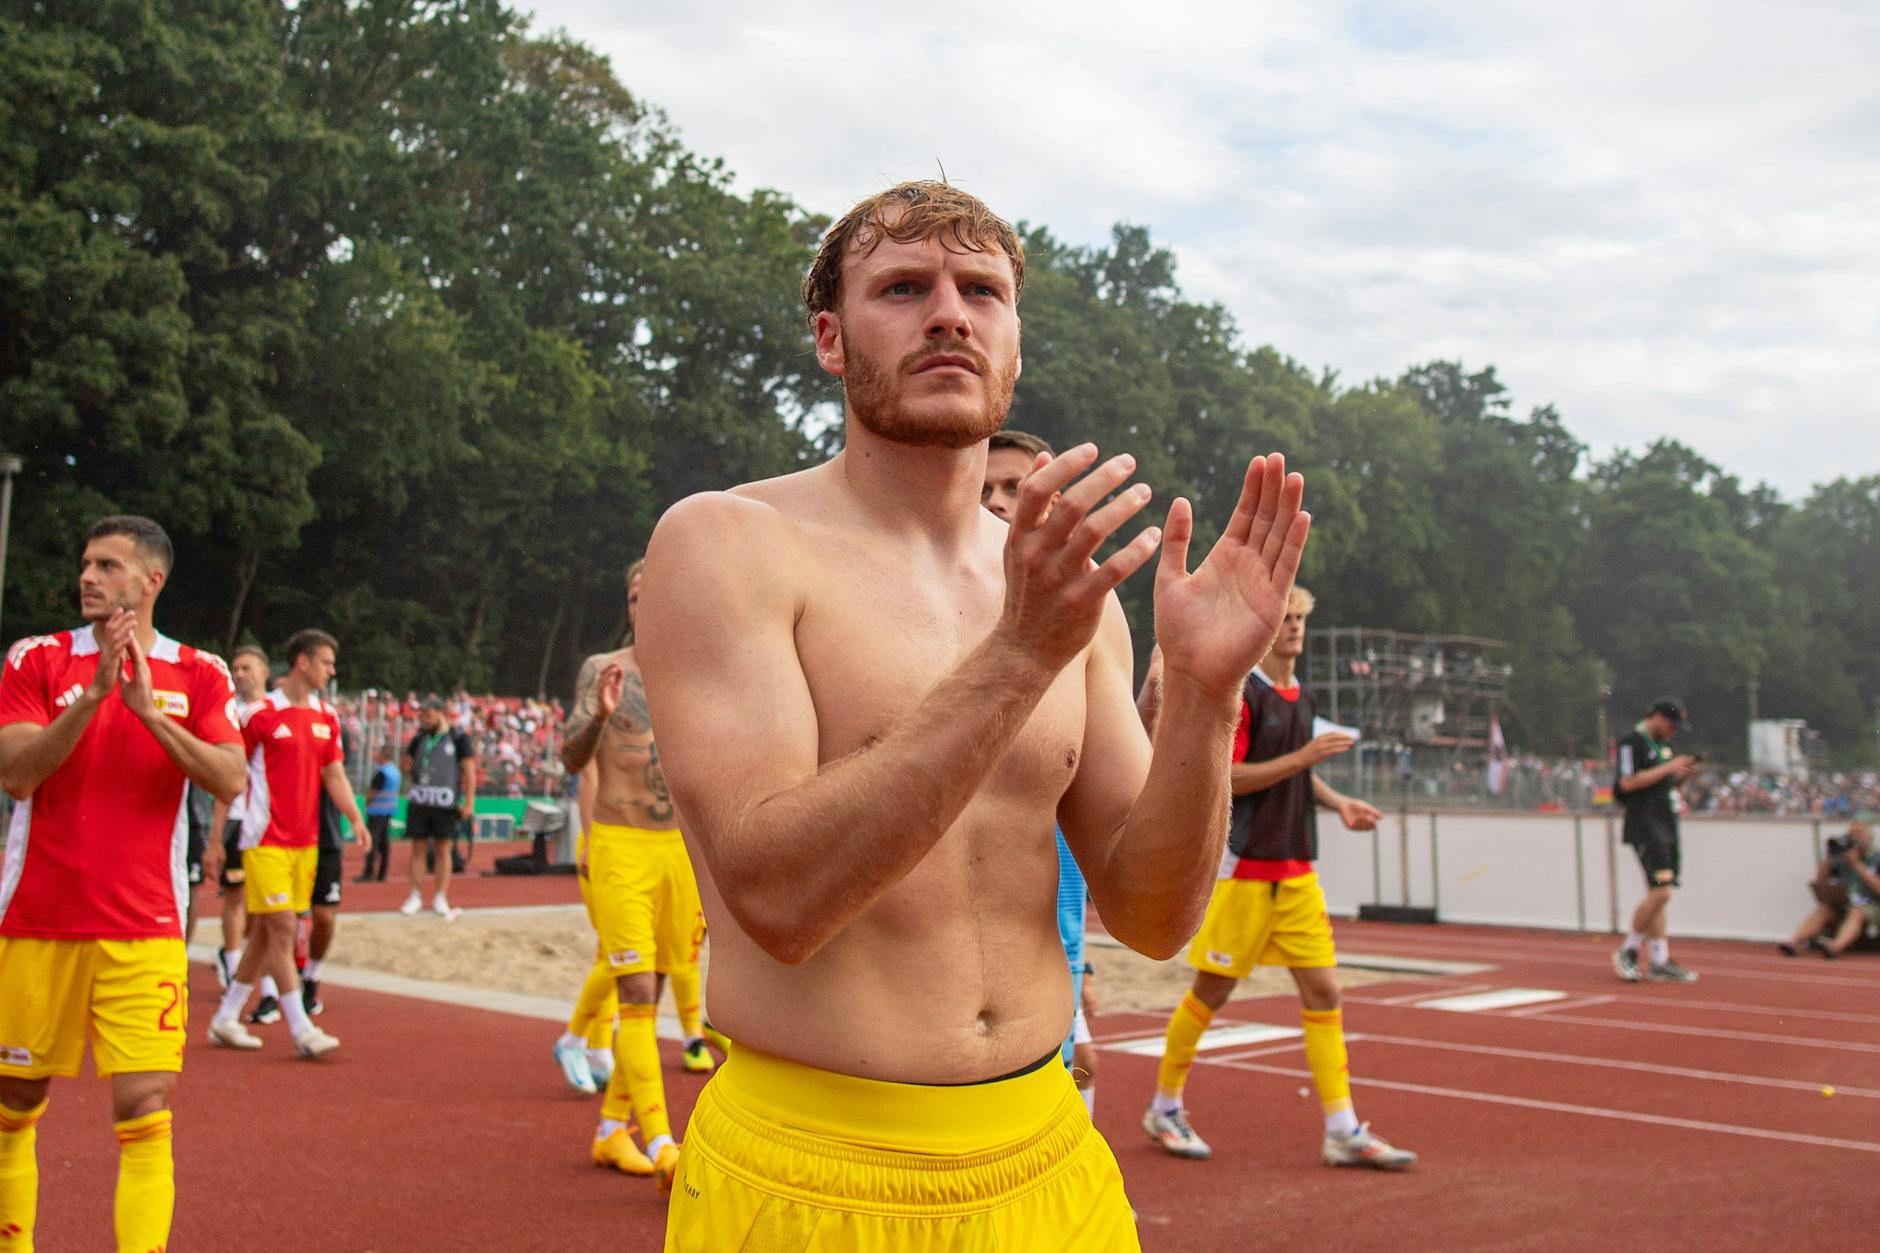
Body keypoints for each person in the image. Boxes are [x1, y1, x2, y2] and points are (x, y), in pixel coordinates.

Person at [639, 180, 1309, 1250]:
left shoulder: (1063, 591)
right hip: (813, 1163)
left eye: (980, 290)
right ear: (828, 336)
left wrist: (1203, 693)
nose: (946, 312)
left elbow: (1152, 912)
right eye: (901, 287)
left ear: (1012, 340)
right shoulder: (728, 543)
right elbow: (775, 896)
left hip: (1046, 1150)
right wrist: (1017, 652)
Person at [0, 515, 246, 1252]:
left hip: (143, 925)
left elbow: (229, 776)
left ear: (150, 582)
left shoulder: (200, 672)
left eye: (107, 565)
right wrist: (94, 695)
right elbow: (16, 774)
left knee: (146, 1104)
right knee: (14, 1101)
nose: (88, 577)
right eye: (85, 564)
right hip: (38, 918)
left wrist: (144, 712)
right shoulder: (35, 658)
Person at [1141, 586, 1414, 1169]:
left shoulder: (1304, 699)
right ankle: (1164, 1106)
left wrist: (1336, 800)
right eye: (1285, 619)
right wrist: (1306, 759)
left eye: (1299, 620)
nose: (1293, 629)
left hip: (1296, 875)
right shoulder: (1245, 699)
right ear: (1264, 630)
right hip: (1245, 871)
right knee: (1210, 993)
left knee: (1325, 992)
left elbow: (1294, 776)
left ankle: (1341, 1127)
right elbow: (1231, 777)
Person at [556, 559, 711, 1183]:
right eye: (633, 595)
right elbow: (571, 758)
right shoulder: (603, 670)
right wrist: (597, 714)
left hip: (681, 851)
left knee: (671, 987)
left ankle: (610, 1130)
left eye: (654, 592)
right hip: (621, 844)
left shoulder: (702, 673)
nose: (641, 604)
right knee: (637, 991)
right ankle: (661, 1142)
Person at [983, 428, 1099, 1115]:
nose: (997, 503)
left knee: (1082, 1071)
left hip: (1056, 944)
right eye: (984, 490)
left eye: (1014, 488)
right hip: (964, 977)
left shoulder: (1090, 628)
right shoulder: (920, 620)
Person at [206, 629, 369, 1057]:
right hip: (264, 840)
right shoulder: (259, 715)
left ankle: (225, 1017)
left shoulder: (326, 718)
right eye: (326, 662)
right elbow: (231, 776)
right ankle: (302, 1028)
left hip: (306, 843)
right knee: (281, 929)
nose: (332, 671)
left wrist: (355, 816)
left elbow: (334, 774)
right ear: (302, 662)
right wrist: (215, 840)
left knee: (263, 933)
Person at [1612, 698, 1700, 982]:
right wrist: (1668, 767)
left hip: (1666, 823)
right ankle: (1628, 949)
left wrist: (1681, 778)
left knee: (1658, 892)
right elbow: (1627, 782)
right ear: (1659, 718)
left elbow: (1662, 786)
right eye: (1672, 725)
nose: (1674, 732)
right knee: (1662, 891)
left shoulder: (1662, 749)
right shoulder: (1631, 743)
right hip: (1646, 826)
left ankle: (1660, 958)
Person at [207, 643, 270, 989]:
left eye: (247, 668)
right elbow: (225, 779)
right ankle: (232, 963)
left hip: (269, 822)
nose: (240, 674)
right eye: (236, 669)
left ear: (264, 671)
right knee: (236, 895)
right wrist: (216, 836)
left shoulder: (276, 712)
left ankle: (245, 958)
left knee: (262, 903)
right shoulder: (229, 715)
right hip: (238, 817)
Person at [399, 696, 475, 919]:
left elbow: (469, 769)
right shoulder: (419, 737)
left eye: (429, 715)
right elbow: (407, 765)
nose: (424, 719)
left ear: (441, 713)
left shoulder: (458, 738)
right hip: (421, 800)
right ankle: (415, 895)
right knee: (417, 849)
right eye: (422, 715)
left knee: (444, 850)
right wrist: (405, 764)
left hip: (445, 802)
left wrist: (469, 801)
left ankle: (441, 896)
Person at [1780, 821, 1880, 958]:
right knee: (1824, 909)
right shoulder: (1842, 857)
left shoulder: (1877, 858)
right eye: (1851, 834)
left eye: (1858, 834)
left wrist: (1857, 865)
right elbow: (1820, 880)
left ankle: (1834, 947)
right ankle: (1794, 942)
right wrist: (1830, 856)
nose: (1854, 838)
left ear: (1869, 837)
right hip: (1844, 902)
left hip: (1871, 906)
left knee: (1857, 912)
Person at [356, 742, 399, 882]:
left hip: (376, 811)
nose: (375, 757)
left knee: (372, 842)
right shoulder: (395, 771)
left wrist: (367, 803)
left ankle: (369, 872)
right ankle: (382, 872)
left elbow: (372, 793)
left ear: (383, 756)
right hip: (388, 810)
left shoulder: (382, 772)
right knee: (384, 843)